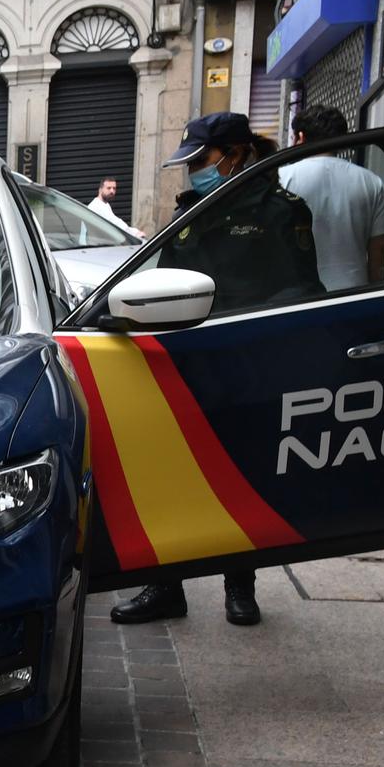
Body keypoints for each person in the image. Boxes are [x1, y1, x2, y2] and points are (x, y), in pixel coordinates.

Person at [113, 113, 323, 630]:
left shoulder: (281, 211)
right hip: (185, 359)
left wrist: (248, 328)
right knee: (166, 473)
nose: (194, 173)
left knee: (241, 474)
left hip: (247, 358)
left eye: (201, 161)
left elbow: (302, 288)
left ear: (234, 154)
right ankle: (165, 587)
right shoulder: (193, 210)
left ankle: (240, 587)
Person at [277, 105, 384, 292]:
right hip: (353, 295)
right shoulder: (371, 182)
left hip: (297, 297)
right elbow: (379, 248)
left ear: (301, 137)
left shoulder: (281, 179)